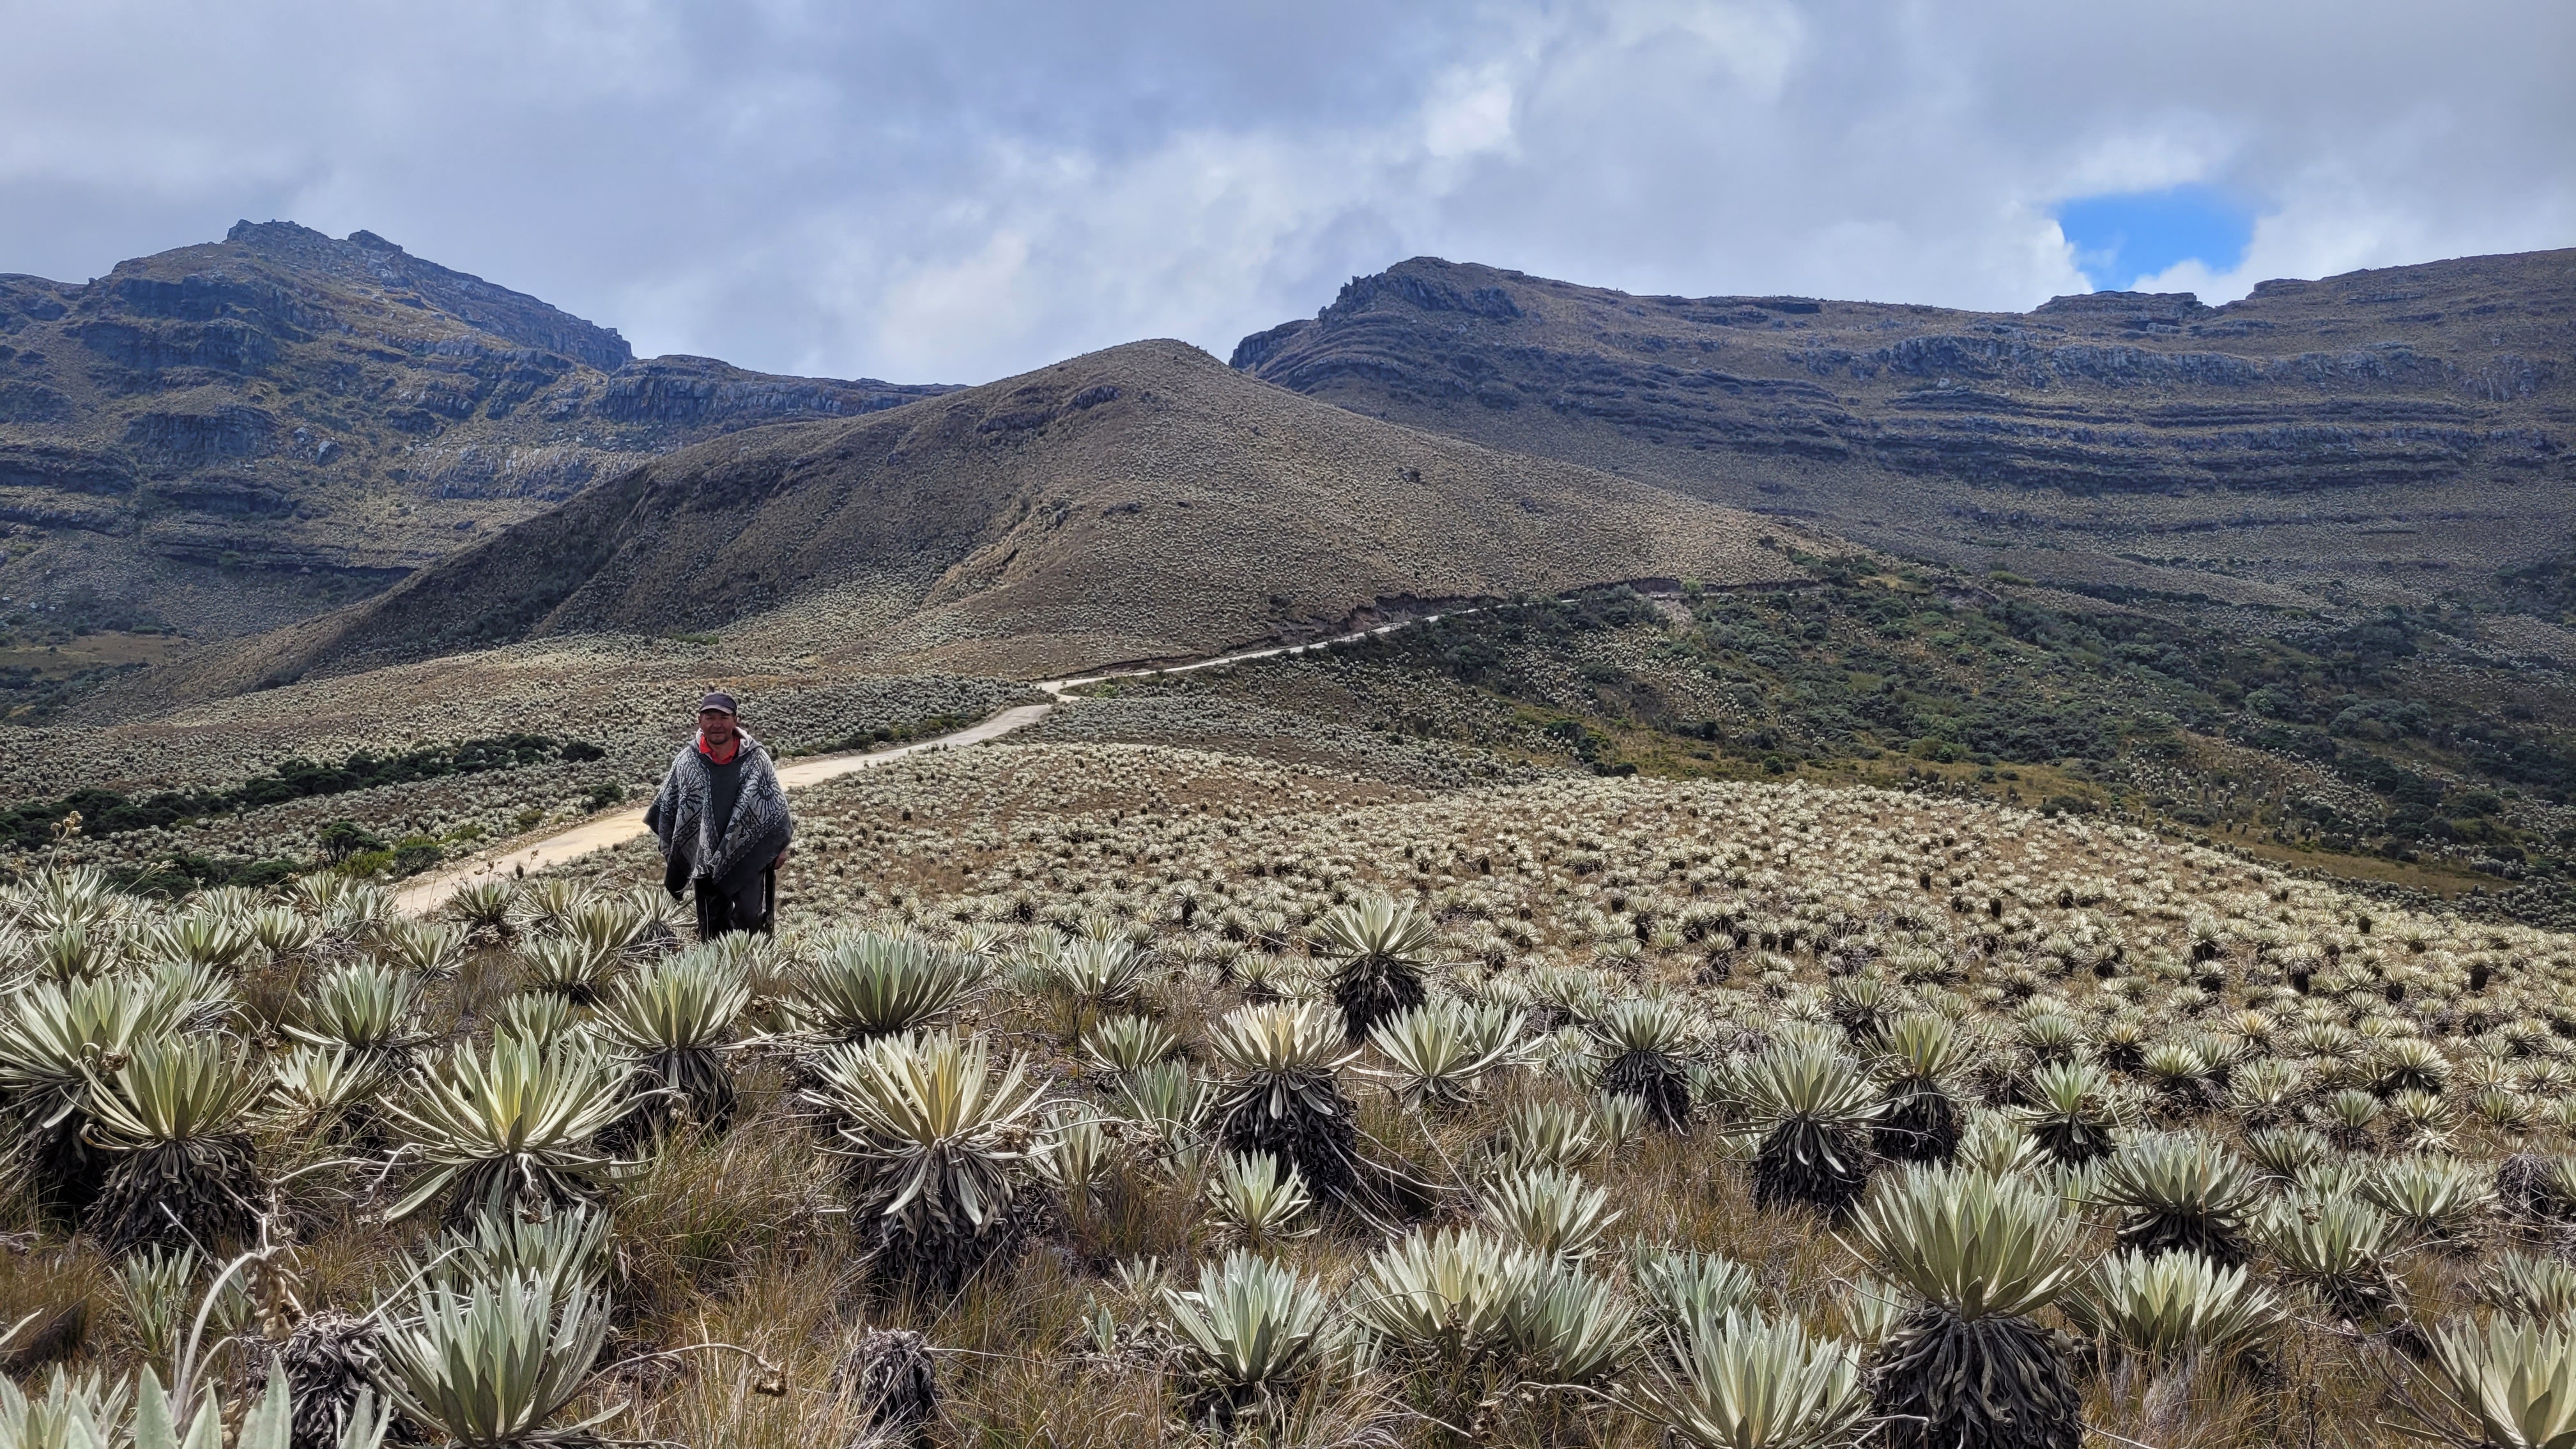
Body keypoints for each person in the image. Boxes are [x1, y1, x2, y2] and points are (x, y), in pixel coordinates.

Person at [644, 691, 793, 939]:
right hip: (703, 858)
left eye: (723, 717)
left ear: (735, 719)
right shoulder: (687, 761)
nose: (716, 724)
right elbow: (669, 807)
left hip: (749, 853)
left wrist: (778, 847)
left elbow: (774, 806)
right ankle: (717, 975)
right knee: (711, 928)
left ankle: (756, 974)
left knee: (751, 922)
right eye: (709, 717)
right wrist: (671, 849)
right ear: (699, 721)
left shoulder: (756, 759)